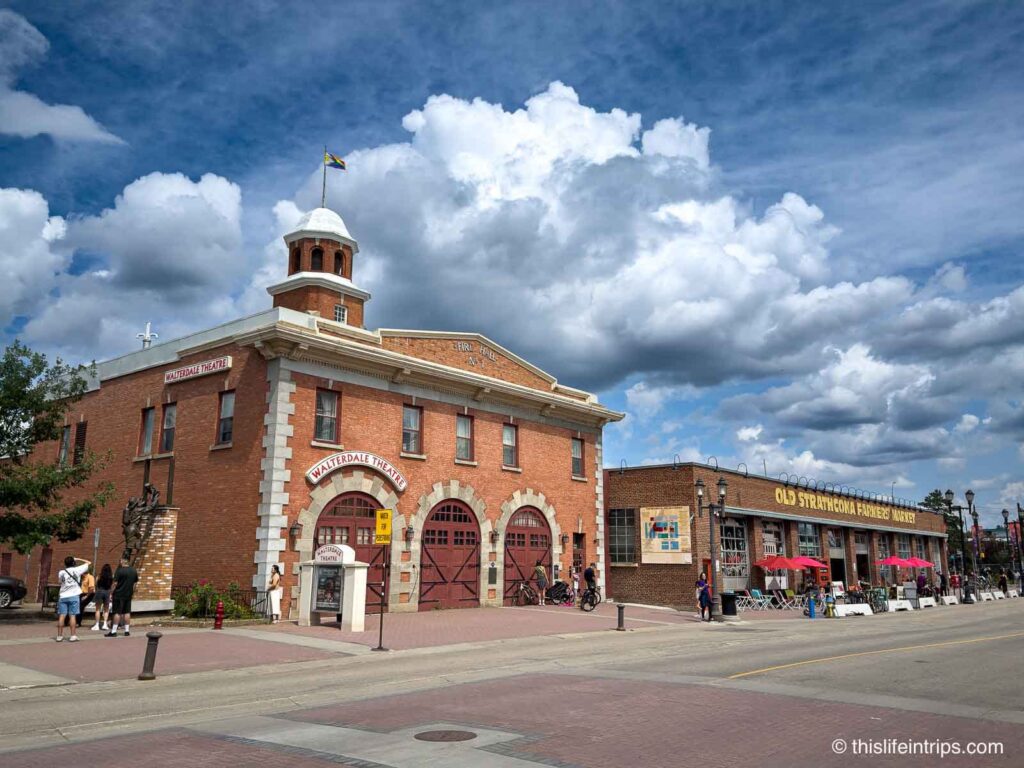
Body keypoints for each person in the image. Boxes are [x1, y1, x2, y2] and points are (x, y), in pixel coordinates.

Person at [56, 556, 91, 642]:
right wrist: (78, 559)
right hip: (74, 595)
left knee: (62, 615)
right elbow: (89, 562)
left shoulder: (61, 572)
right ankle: (73, 635)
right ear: (73, 563)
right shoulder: (77, 570)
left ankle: (59, 636)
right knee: (72, 616)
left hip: (63, 596)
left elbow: (60, 582)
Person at [106, 556, 139, 637]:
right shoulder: (133, 571)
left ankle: (113, 631)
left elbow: (115, 583)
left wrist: (111, 592)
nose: (119, 562)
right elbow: (135, 583)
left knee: (117, 612)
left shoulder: (119, 571)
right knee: (127, 612)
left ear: (122, 561)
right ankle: (127, 631)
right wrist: (132, 591)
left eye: (120, 560)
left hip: (118, 594)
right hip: (128, 594)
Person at [92, 564, 113, 631]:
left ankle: (97, 624)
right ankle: (105, 624)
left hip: (99, 591)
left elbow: (96, 584)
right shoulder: (111, 577)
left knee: (97, 609)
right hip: (107, 592)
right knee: (106, 609)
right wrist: (111, 594)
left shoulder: (99, 576)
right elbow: (111, 586)